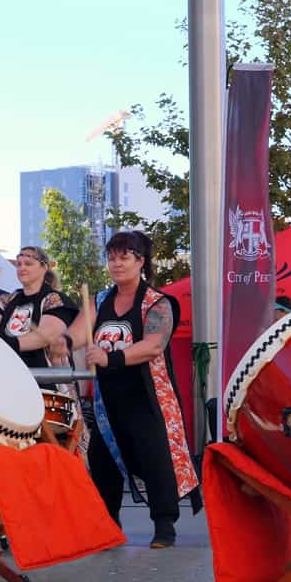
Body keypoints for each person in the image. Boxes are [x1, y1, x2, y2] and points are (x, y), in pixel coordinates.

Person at [68, 231, 200, 548]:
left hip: (148, 395)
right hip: (108, 398)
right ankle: (109, 526)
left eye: (124, 257)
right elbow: (75, 334)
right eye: (112, 257)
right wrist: (60, 343)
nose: (116, 264)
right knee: (103, 460)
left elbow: (153, 346)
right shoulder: (99, 301)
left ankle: (164, 526)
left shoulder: (159, 304)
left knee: (156, 457)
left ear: (141, 261)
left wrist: (109, 356)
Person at [0, 246, 78, 384]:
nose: (22, 268)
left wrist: (5, 345)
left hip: (49, 385)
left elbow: (47, 335)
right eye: (19, 264)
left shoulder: (54, 299)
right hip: (10, 380)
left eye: (28, 264)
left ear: (44, 267)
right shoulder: (6, 300)